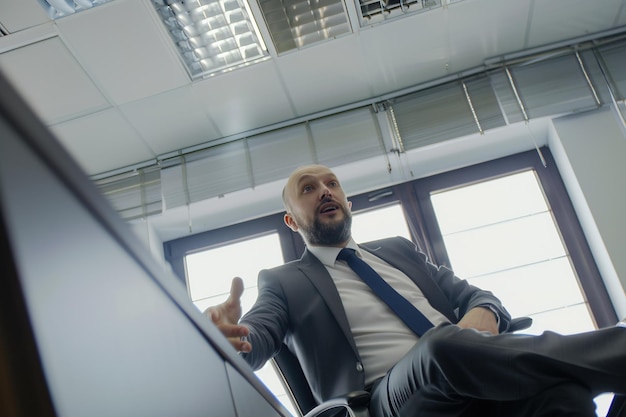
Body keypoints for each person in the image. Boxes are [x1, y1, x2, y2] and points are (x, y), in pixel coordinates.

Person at [206, 164, 626, 417]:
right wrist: (234, 339)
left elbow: (477, 296)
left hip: (472, 368)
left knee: (563, 394)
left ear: (348, 201)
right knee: (440, 347)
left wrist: (487, 315)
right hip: (390, 401)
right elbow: (257, 335)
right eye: (309, 189)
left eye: (332, 184)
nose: (325, 191)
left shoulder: (398, 249)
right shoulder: (282, 281)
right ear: (291, 221)